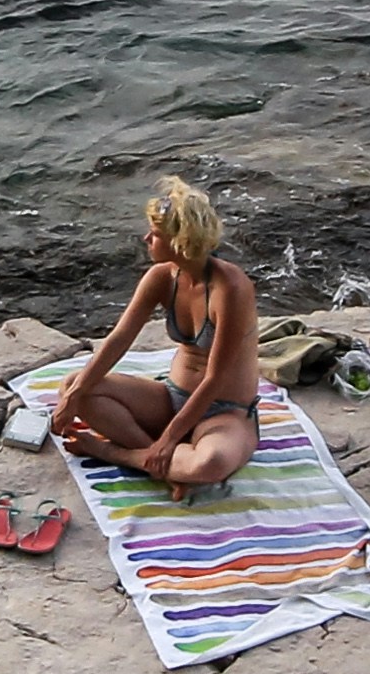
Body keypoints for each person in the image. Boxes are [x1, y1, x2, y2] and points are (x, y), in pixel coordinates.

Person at [53, 177, 262, 499]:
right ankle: (160, 464)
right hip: (171, 397)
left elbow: (215, 378)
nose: (146, 238)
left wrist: (168, 439)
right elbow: (120, 339)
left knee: (211, 462)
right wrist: (73, 395)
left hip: (224, 410)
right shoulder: (162, 277)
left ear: (181, 242)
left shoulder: (231, 289)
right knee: (74, 385)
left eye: (155, 234)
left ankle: (120, 454)